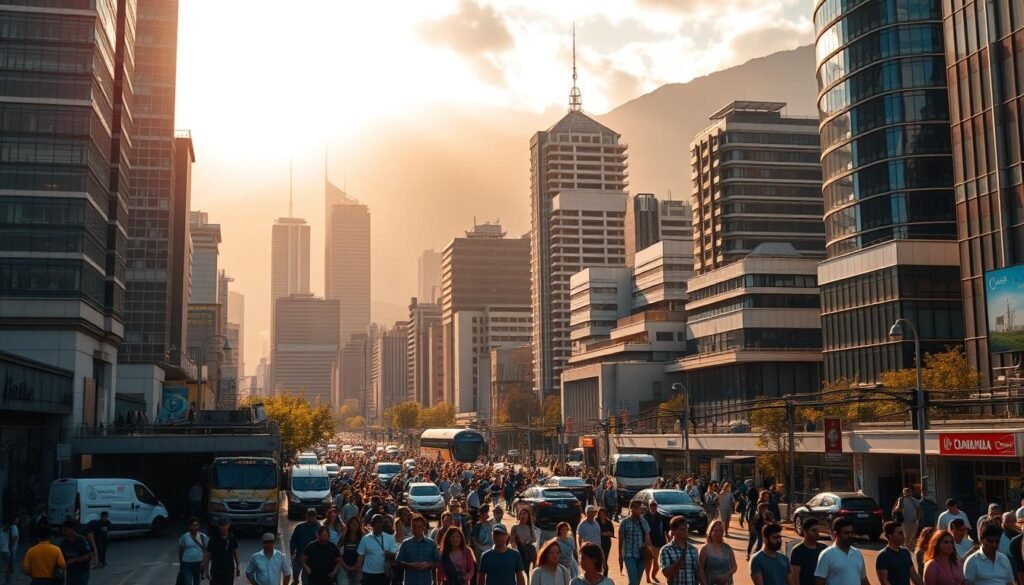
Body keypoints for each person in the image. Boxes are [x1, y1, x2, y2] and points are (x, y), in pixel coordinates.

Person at [814, 517, 868, 585]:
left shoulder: (857, 553)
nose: (850, 535)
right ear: (836, 534)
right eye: (847, 533)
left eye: (852, 532)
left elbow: (863, 579)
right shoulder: (826, 555)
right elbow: (820, 581)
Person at [658, 516, 704, 585]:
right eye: (682, 529)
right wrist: (678, 564)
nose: (685, 531)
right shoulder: (666, 550)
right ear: (673, 530)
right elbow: (666, 573)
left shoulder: (693, 549)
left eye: (686, 528)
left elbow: (698, 570)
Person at [356, 514, 399, 585]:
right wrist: (359, 573)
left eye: (380, 522)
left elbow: (395, 556)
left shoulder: (390, 538)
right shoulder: (365, 539)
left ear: (383, 524)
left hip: (384, 573)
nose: (378, 524)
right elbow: (361, 556)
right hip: (368, 574)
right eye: (376, 522)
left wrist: (389, 554)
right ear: (372, 524)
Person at [397, 514, 440, 585]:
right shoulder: (405, 544)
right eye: (414, 527)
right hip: (410, 581)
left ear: (424, 527)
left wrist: (428, 565)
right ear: (411, 528)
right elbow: (398, 561)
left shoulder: (431, 544)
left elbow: (438, 562)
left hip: (426, 581)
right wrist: (410, 565)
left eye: (419, 526)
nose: (417, 529)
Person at [619, 500, 653, 585]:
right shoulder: (624, 522)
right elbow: (620, 540)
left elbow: (648, 537)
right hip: (629, 554)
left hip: (641, 554)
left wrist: (647, 544)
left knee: (636, 582)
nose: (640, 511)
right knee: (634, 581)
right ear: (632, 509)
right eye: (638, 508)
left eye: (641, 508)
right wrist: (620, 555)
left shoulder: (643, 522)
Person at [789, 518, 827, 585]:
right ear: (805, 531)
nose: (817, 533)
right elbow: (795, 577)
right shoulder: (797, 551)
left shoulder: (823, 548)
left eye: (818, 530)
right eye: (813, 530)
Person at [203, 518, 240, 585]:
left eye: (225, 525)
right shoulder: (213, 539)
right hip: (216, 570)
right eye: (221, 525)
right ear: (218, 526)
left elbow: (235, 551)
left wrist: (238, 565)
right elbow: (207, 555)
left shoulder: (232, 538)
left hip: (229, 570)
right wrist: (206, 570)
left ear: (228, 526)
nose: (223, 527)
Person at [699, 520, 736, 585]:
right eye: (716, 530)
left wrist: (726, 575)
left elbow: (734, 566)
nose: (718, 533)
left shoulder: (728, 548)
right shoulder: (705, 549)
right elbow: (700, 569)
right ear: (710, 532)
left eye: (721, 531)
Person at [291, 509, 322, 583]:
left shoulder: (319, 528)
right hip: (299, 554)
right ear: (306, 516)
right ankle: (295, 580)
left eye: (313, 516)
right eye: (309, 515)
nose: (311, 517)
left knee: (306, 577)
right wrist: (292, 552)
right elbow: (293, 540)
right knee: (296, 570)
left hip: (311, 557)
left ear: (315, 516)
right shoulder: (299, 527)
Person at [58, 519, 93, 585]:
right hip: (70, 573)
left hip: (82, 572)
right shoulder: (63, 543)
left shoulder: (81, 540)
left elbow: (89, 555)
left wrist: (75, 560)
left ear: (72, 529)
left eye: (66, 530)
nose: (63, 533)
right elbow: (61, 559)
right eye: (63, 531)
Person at [178, 517, 209, 585]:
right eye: (193, 525)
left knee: (196, 581)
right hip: (187, 563)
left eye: (197, 525)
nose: (195, 527)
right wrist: (181, 564)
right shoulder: (184, 537)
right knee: (188, 582)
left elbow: (206, 551)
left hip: (198, 563)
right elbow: (181, 551)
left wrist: (204, 563)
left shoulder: (203, 536)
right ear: (189, 527)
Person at [645, 503, 668, 584]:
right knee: (649, 561)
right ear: (649, 507)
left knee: (658, 563)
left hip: (660, 543)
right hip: (649, 543)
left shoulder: (661, 517)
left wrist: (668, 541)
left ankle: (653, 575)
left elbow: (666, 530)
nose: (653, 508)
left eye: (654, 506)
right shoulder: (645, 517)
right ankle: (648, 577)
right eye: (651, 506)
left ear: (656, 507)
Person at [512, 508, 538, 573]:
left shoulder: (530, 527)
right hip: (518, 550)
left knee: (527, 570)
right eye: (521, 514)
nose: (522, 516)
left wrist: (527, 541)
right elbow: (512, 540)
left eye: (524, 514)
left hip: (528, 551)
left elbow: (534, 539)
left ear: (528, 516)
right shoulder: (515, 527)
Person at [338, 517, 363, 585]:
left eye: (355, 524)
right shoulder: (344, 537)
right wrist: (346, 567)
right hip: (344, 567)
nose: (353, 526)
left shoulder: (362, 537)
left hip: (357, 569)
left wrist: (355, 567)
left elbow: (363, 554)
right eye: (352, 524)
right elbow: (337, 553)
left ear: (358, 525)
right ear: (348, 525)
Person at [596, 508, 614, 577]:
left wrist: (602, 533)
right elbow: (596, 532)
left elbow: (612, 534)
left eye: (603, 514)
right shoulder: (596, 521)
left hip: (606, 542)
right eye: (600, 514)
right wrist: (606, 533)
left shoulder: (608, 522)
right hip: (598, 541)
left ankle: (605, 576)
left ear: (606, 514)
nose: (601, 515)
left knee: (604, 559)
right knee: (597, 558)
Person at [1, 514, 18, 585]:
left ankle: (8, 581)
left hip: (6, 550)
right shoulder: (7, 529)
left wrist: (9, 546)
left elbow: (14, 538)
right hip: (5, 550)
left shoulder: (9, 529)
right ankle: (8, 580)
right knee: (7, 565)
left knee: (7, 565)